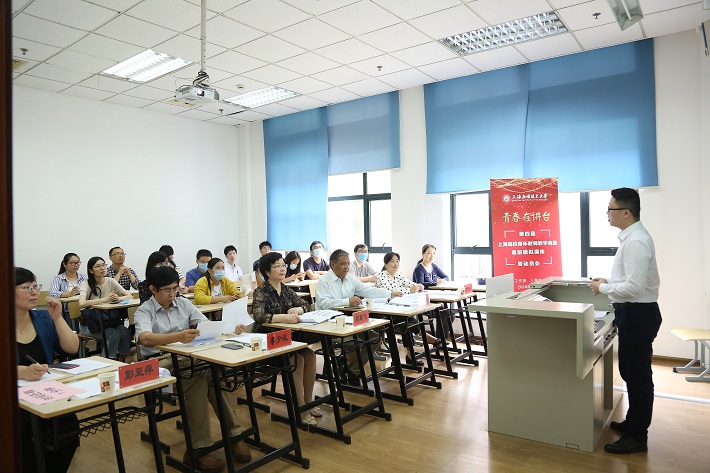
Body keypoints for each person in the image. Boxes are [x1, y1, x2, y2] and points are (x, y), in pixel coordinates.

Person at [134, 266, 251, 471]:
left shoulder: (183, 303)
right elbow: (145, 338)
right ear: (153, 289)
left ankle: (234, 435)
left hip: (188, 356)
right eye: (167, 290)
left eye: (174, 289)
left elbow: (205, 324)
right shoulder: (144, 310)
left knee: (214, 376)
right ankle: (198, 449)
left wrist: (230, 329)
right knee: (196, 379)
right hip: (161, 362)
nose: (172, 294)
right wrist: (178, 337)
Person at [591, 188, 662, 455]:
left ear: (626, 212)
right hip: (634, 313)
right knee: (632, 373)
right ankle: (633, 422)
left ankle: (637, 436)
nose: (607, 214)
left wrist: (603, 289)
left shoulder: (636, 242)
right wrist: (609, 282)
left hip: (638, 314)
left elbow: (634, 288)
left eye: (610, 209)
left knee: (638, 376)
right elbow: (632, 280)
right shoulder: (632, 238)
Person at [16, 267, 80, 473]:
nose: (35, 292)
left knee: (69, 431)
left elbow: (72, 348)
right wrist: (23, 372)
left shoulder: (43, 318)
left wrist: (58, 318)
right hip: (14, 401)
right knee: (26, 439)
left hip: (45, 393)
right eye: (27, 287)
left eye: (36, 286)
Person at [251, 252, 319, 425]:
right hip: (268, 340)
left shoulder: (286, 289)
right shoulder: (261, 291)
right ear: (267, 271)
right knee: (297, 359)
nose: (282, 269)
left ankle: (308, 400)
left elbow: (306, 305)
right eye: (277, 266)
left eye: (283, 265)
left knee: (310, 355)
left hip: (288, 338)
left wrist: (298, 310)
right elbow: (258, 316)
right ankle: (300, 407)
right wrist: (284, 317)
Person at [316, 249, 402, 384]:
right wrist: (347, 301)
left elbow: (367, 290)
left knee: (375, 339)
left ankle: (351, 369)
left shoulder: (350, 278)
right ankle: (352, 371)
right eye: (343, 264)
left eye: (348, 263)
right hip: (330, 322)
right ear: (333, 264)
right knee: (351, 342)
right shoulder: (324, 281)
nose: (346, 267)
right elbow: (323, 303)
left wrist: (390, 293)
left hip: (349, 320)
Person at [79, 256, 133, 361]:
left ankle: (122, 359)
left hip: (108, 321)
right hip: (90, 325)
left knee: (125, 331)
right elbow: (81, 303)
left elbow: (129, 296)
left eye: (103, 265)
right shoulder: (86, 283)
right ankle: (108, 360)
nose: (102, 268)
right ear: (91, 270)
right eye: (97, 266)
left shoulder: (110, 281)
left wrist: (118, 298)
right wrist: (105, 299)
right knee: (114, 334)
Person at [49, 252, 88, 324]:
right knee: (70, 310)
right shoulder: (58, 278)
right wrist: (69, 294)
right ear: (64, 264)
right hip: (66, 309)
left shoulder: (84, 277)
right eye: (72, 263)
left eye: (78, 262)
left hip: (84, 306)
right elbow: (52, 293)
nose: (76, 265)